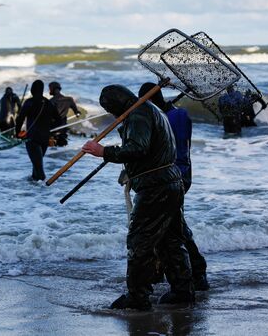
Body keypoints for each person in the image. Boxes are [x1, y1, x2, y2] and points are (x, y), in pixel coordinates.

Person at [82, 84, 194, 310]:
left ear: (115, 104)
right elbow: (149, 151)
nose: (112, 114)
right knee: (171, 240)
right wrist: (129, 170)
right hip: (170, 183)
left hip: (156, 188)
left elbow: (138, 148)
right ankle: (183, 290)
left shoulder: (139, 113)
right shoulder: (150, 110)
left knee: (139, 241)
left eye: (110, 109)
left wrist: (103, 151)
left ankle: (137, 296)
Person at [138, 84, 209, 291]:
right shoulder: (180, 115)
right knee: (170, 226)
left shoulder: (163, 120)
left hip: (170, 178)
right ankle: (179, 272)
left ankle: (196, 272)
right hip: (182, 176)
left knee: (174, 228)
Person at [15, 80, 61, 181]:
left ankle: (43, 189)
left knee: (38, 167)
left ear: (32, 89)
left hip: (32, 138)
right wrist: (49, 130)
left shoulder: (29, 102)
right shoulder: (48, 103)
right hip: (44, 138)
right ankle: (35, 190)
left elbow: (20, 119)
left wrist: (17, 133)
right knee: (36, 164)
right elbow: (59, 120)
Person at [48, 81, 81, 146]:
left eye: (49, 89)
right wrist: (78, 114)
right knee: (62, 147)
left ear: (52, 89)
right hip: (63, 128)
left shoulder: (51, 101)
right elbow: (77, 113)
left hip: (53, 129)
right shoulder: (69, 99)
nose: (49, 90)